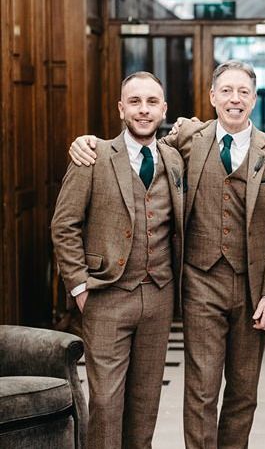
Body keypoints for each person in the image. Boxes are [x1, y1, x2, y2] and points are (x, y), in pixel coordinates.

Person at [68, 60, 265, 449]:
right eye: (226, 90)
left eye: (243, 91)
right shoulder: (186, 142)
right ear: (211, 97)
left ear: (255, 99)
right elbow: (132, 147)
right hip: (200, 283)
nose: (234, 99)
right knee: (201, 390)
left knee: (244, 392)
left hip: (254, 290)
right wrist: (84, 141)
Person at [52, 71, 185, 449]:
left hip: (158, 297)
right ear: (121, 108)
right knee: (108, 403)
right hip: (106, 296)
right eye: (135, 102)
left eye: (151, 102)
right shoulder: (92, 156)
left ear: (163, 109)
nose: (144, 110)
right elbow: (64, 225)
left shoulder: (175, 161)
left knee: (145, 404)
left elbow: (220, 129)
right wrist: (79, 286)